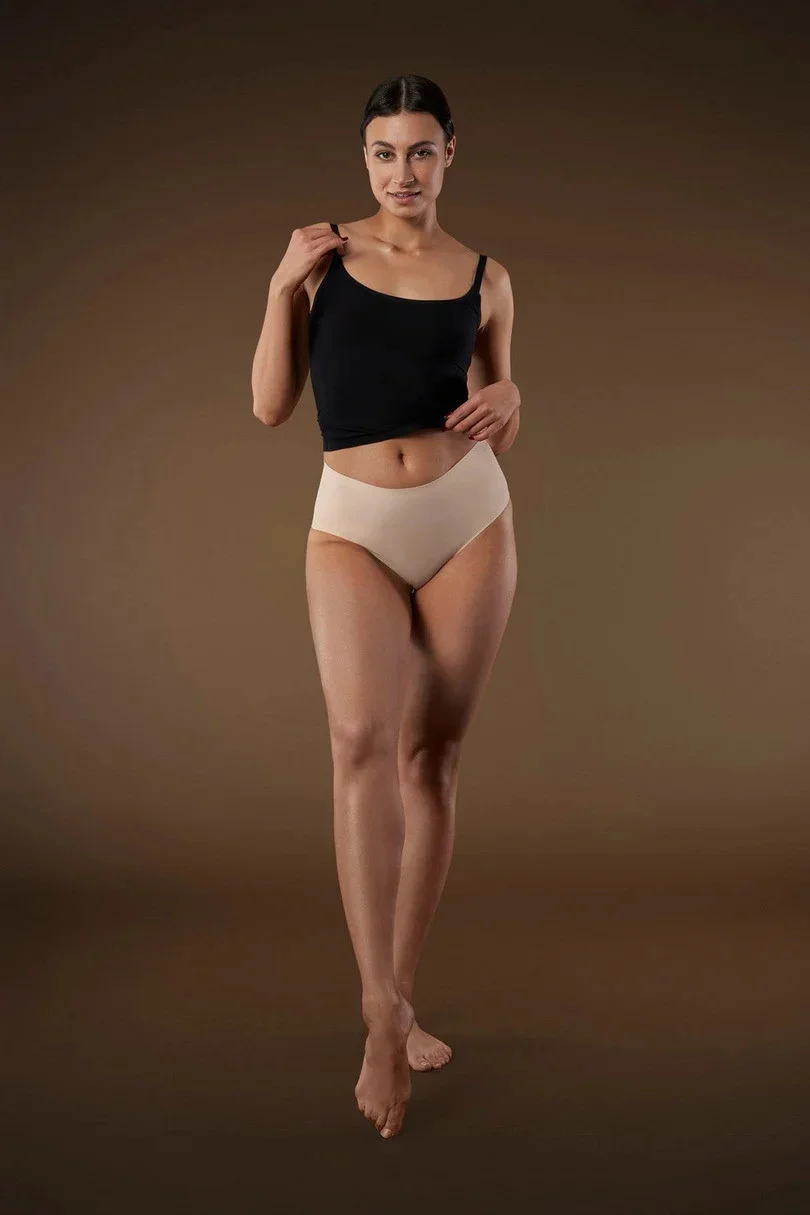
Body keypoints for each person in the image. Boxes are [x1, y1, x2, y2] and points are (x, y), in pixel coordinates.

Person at [251, 74, 520, 1139]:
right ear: (362, 158)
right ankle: (377, 1012)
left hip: (470, 519)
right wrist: (281, 287)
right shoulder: (322, 257)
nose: (400, 172)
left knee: (432, 760)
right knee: (359, 742)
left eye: (419, 151)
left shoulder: (489, 277)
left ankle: (405, 995)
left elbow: (499, 406)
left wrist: (514, 397)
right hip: (353, 522)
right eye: (381, 152)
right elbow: (271, 406)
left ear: (450, 154)